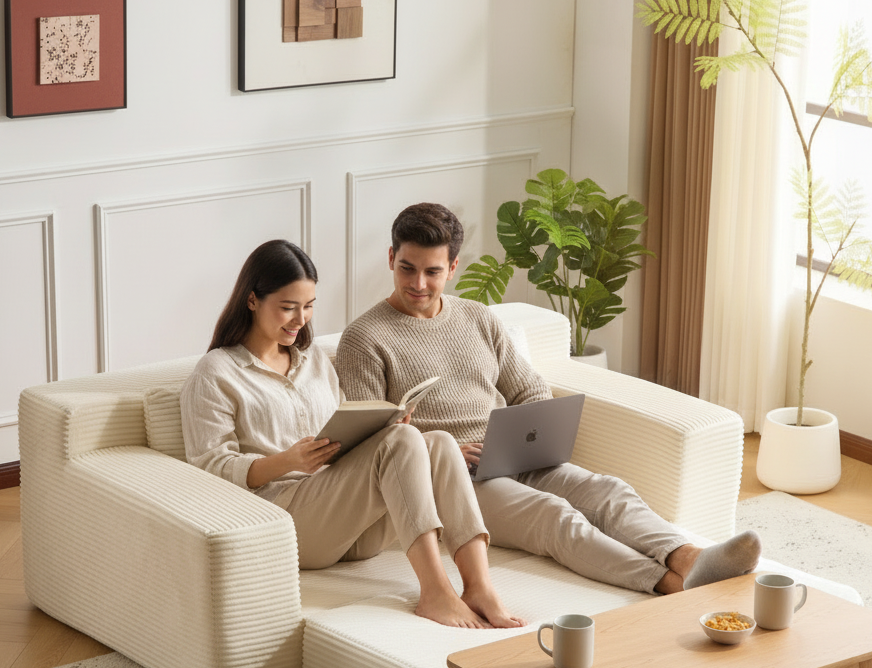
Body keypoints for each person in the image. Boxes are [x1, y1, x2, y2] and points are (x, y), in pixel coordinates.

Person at [334, 204, 761, 596]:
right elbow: (379, 445)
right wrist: (444, 451)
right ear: (391, 258)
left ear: (453, 267)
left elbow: (530, 389)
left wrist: (522, 439)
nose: (418, 284)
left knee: (610, 491)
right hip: (451, 481)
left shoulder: (479, 318)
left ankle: (690, 559)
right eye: (407, 268)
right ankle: (672, 586)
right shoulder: (365, 338)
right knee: (554, 517)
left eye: (432, 272)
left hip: (510, 455)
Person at [180, 238, 523, 630]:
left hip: (349, 526)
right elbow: (208, 466)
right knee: (403, 442)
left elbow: (347, 427)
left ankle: (479, 586)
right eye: (288, 308)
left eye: (308, 307)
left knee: (438, 442)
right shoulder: (216, 372)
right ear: (253, 300)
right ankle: (435, 592)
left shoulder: (314, 364)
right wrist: (286, 461)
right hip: (288, 522)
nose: (300, 320)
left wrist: (383, 428)